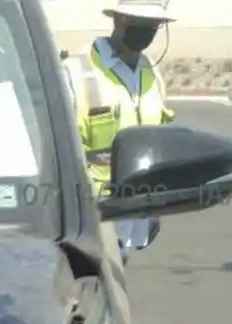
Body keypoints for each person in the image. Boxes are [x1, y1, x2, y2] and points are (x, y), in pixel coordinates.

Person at [80, 1, 176, 252]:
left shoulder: (151, 72)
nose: (148, 30)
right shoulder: (80, 73)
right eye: (140, 23)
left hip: (139, 204)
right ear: (119, 20)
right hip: (94, 209)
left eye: (154, 25)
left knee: (121, 270)